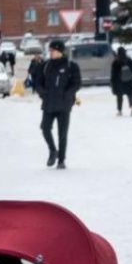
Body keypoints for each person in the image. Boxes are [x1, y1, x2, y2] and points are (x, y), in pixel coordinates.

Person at [36, 40, 82, 169]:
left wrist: (68, 94)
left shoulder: (71, 66)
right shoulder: (45, 66)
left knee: (62, 134)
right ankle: (53, 150)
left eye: (53, 50)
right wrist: (43, 93)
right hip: (49, 103)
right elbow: (38, 83)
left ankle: (61, 160)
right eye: (49, 50)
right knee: (45, 128)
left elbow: (77, 83)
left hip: (64, 105)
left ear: (60, 51)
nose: (50, 53)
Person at [110, 46, 132, 117]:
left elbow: (113, 74)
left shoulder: (116, 62)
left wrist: (113, 82)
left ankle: (119, 111)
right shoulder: (129, 60)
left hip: (119, 82)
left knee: (119, 97)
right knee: (130, 95)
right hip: (129, 81)